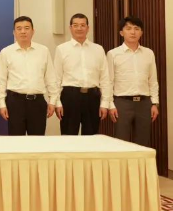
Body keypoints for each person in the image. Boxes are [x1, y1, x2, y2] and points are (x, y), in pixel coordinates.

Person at [0, 16, 57, 135]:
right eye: (19, 28)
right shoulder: (6, 52)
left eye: (27, 28)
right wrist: (2, 104)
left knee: (37, 140)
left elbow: (50, 77)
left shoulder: (43, 51)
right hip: (15, 103)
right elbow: (1, 80)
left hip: (37, 102)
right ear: (14, 32)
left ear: (33, 31)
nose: (23, 31)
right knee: (17, 141)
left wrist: (53, 100)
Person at [53, 13, 111, 135]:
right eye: (75, 25)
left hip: (92, 97)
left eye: (82, 25)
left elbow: (105, 78)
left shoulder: (98, 49)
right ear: (70, 28)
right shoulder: (62, 49)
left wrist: (105, 103)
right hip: (70, 97)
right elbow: (56, 79)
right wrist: (57, 102)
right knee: (69, 136)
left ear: (88, 28)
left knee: (91, 137)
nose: (79, 28)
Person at [107, 16, 159, 146]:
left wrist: (154, 103)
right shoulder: (113, 54)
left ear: (141, 32)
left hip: (144, 103)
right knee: (121, 142)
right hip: (122, 103)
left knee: (143, 143)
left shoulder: (148, 53)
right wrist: (110, 105)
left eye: (136, 28)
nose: (133, 32)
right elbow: (109, 82)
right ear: (121, 32)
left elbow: (153, 80)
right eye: (128, 28)